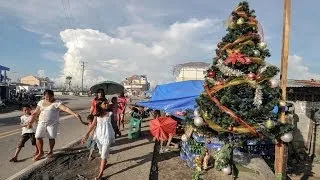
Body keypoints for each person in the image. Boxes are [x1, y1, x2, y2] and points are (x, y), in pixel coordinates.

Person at [28, 90, 87, 161]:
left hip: (52, 124)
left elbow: (65, 108)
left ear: (53, 96)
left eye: (50, 97)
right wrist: (31, 118)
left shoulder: (57, 102)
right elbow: (36, 111)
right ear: (44, 96)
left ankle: (50, 151)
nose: (49, 99)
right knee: (37, 136)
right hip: (41, 122)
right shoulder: (41, 102)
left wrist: (74, 114)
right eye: (47, 97)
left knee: (51, 138)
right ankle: (41, 152)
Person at [81, 99, 115, 180]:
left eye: (107, 103)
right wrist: (86, 135)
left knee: (103, 155)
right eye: (105, 103)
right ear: (100, 105)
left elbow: (113, 124)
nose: (107, 104)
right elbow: (92, 125)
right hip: (99, 136)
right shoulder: (96, 115)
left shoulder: (110, 113)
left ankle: (100, 174)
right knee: (101, 153)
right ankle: (105, 162)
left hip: (107, 135)